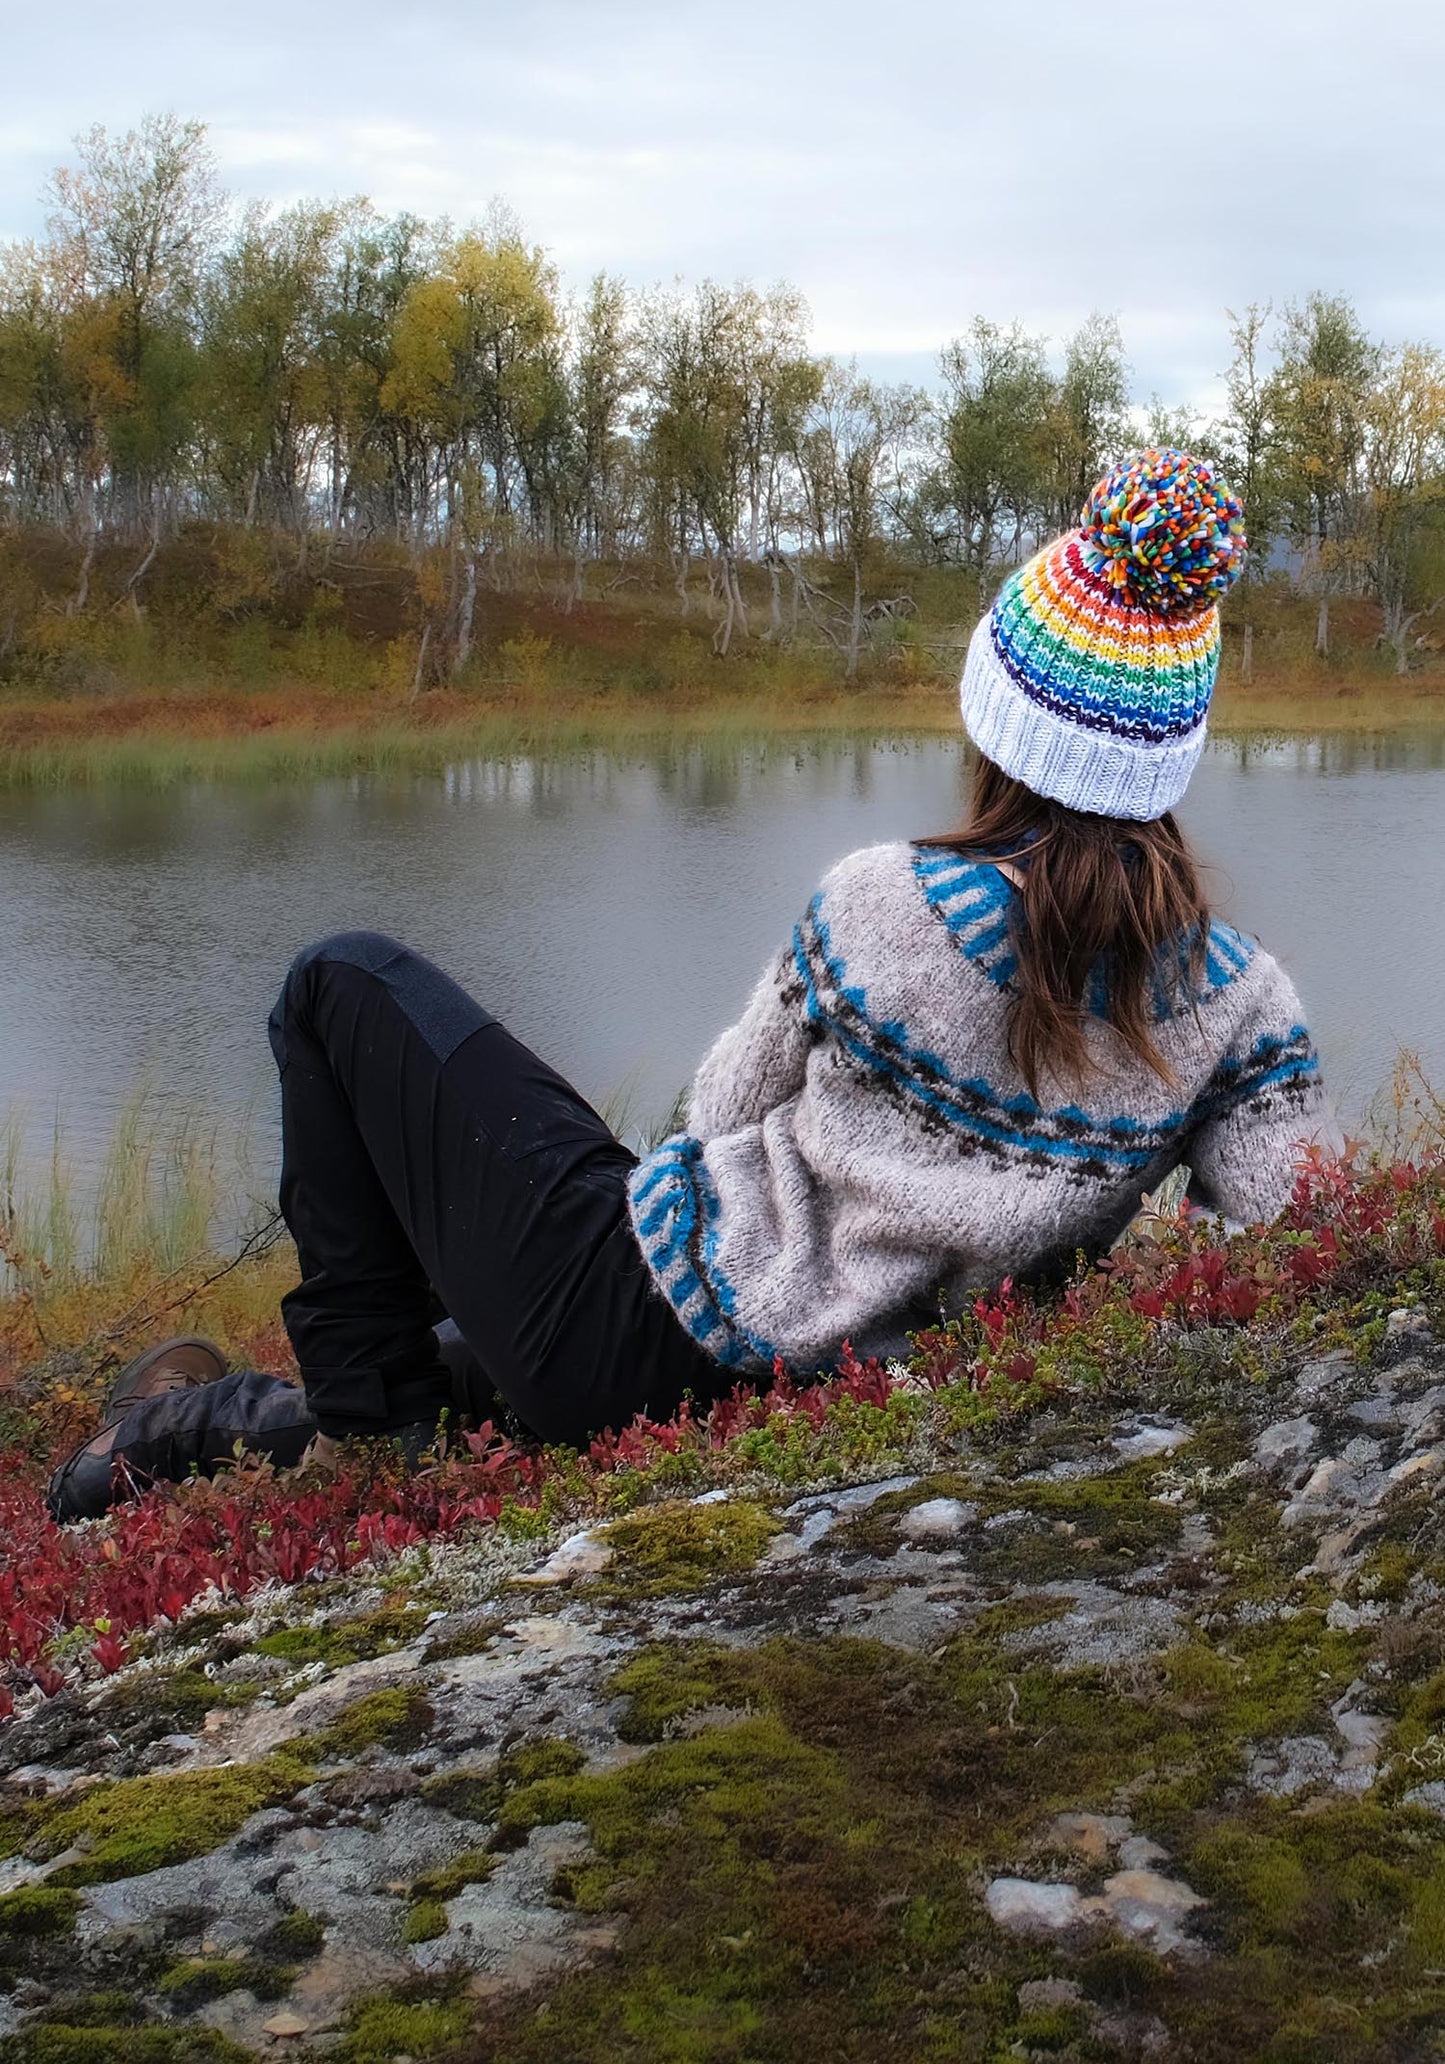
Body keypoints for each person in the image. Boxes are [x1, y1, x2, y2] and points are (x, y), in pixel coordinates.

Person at [47, 450, 1334, 1524]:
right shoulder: (1243, 999)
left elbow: (715, 1114)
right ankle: (155, 1439)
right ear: (1170, 750)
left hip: (646, 1330)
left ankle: (350, 1430)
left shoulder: (879, 899)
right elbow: (1294, 1241)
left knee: (339, 981)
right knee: (469, 1346)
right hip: (812, 1394)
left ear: (994, 720)